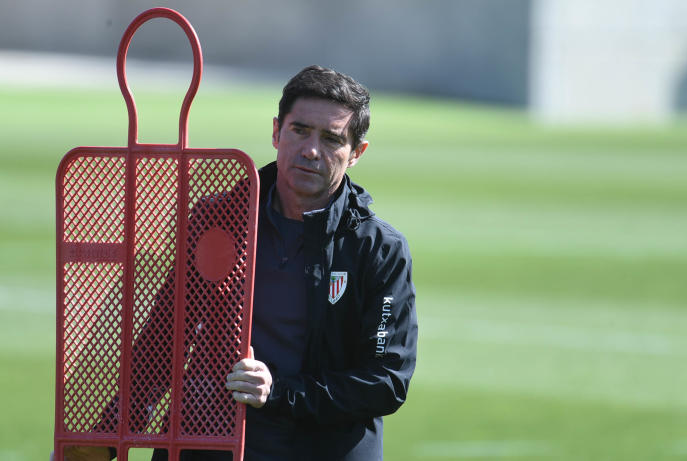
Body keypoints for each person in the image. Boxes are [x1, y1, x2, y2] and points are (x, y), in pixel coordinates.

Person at [55, 64, 417, 461]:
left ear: (356, 154)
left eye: (332, 139)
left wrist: (278, 391)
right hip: (212, 434)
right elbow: (166, 335)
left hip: (324, 442)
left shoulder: (379, 249)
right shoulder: (219, 219)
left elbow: (385, 380)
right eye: (300, 131)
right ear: (277, 131)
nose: (312, 150)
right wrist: (111, 433)